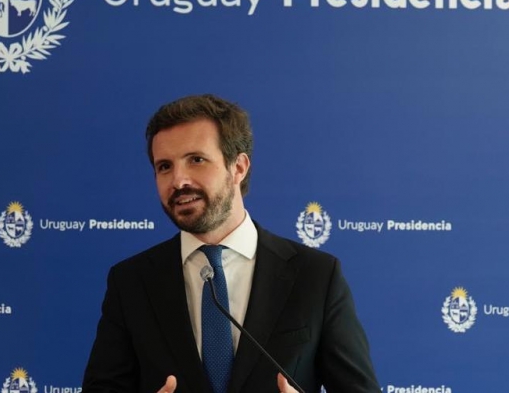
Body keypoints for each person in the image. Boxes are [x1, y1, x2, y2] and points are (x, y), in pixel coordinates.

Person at [83, 95, 380, 393]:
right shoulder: (131, 281)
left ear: (238, 167)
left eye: (196, 160)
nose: (178, 180)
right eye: (164, 167)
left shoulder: (316, 275)